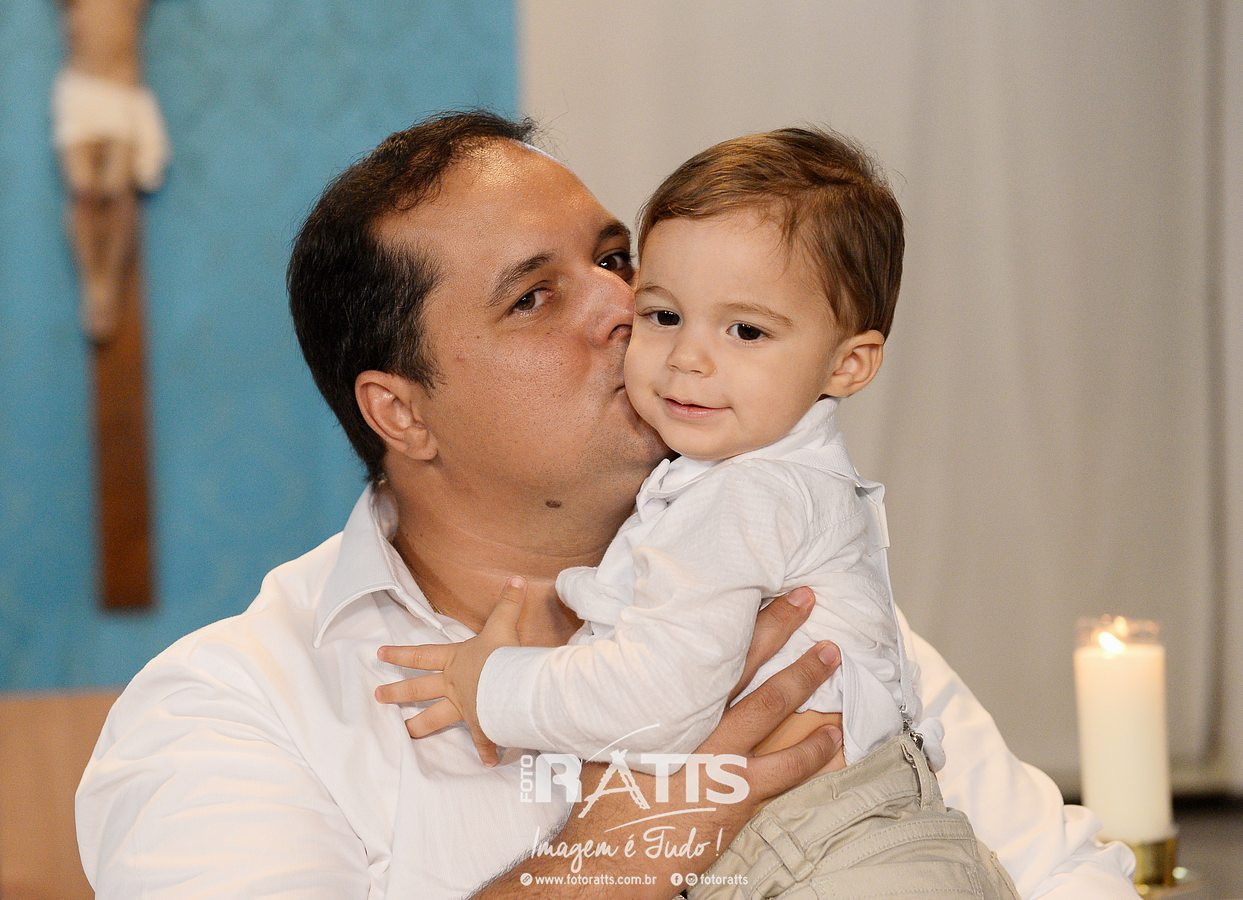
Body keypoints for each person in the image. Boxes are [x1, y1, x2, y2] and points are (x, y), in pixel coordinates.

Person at [76, 110, 1136, 897]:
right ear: (402, 413)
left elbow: (1063, 875)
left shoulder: (790, 598)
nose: (627, 307)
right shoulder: (233, 708)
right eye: (533, 297)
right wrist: (608, 857)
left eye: (616, 257)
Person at [375, 126, 1019, 897]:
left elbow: (658, 703)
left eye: (745, 330)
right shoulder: (743, 489)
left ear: (848, 364)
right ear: (399, 412)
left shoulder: (746, 496)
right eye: (664, 315)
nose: (685, 356)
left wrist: (491, 686)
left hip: (835, 852)